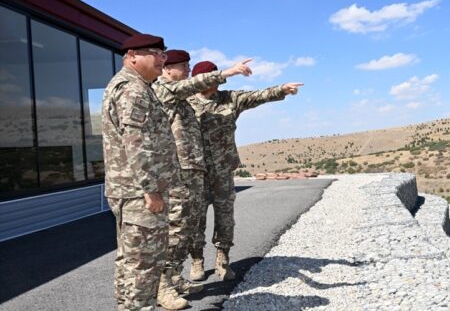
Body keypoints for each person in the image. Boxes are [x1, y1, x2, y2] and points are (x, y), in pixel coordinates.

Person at [151, 50, 253, 309]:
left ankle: (174, 278)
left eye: (188, 65)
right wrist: (226, 73)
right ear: (167, 69)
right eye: (183, 65)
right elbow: (193, 84)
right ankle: (162, 286)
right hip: (179, 171)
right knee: (177, 227)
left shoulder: (181, 94)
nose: (187, 68)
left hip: (194, 169)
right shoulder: (164, 90)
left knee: (188, 225)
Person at [187, 60, 303, 280]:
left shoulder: (229, 98)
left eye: (214, 77)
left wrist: (282, 90)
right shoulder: (185, 102)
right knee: (195, 218)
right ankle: (196, 260)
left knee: (225, 217)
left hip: (222, 170)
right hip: (195, 172)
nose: (212, 82)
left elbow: (257, 96)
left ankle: (223, 259)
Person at [101, 34, 177, 310]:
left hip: (131, 190)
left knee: (130, 261)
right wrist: (150, 189)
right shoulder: (133, 90)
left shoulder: (139, 87)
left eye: (163, 54)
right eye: (155, 53)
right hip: (138, 192)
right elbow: (137, 145)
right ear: (132, 55)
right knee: (144, 265)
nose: (162, 59)